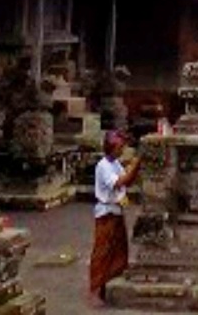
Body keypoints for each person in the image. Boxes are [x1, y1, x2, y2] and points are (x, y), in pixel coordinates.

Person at [88, 129, 142, 307]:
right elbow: (120, 182)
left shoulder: (115, 164)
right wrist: (136, 164)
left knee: (119, 249)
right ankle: (95, 289)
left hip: (117, 210)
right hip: (106, 212)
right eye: (120, 147)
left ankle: (109, 283)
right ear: (112, 148)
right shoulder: (103, 165)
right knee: (102, 250)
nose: (122, 150)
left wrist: (134, 169)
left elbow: (125, 183)